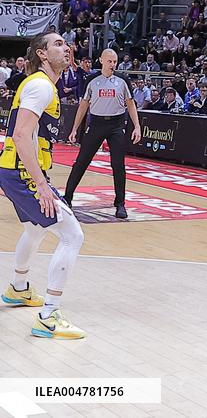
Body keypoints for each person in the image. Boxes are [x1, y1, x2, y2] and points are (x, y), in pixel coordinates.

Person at [0, 33, 86, 338]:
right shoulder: (39, 85)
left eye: (67, 43)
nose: (67, 47)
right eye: (58, 43)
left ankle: (19, 287)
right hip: (23, 173)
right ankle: (49, 316)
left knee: (35, 230)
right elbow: (22, 136)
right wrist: (41, 185)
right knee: (72, 235)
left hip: (14, 170)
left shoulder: (42, 84)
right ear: (43, 54)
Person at [62, 49, 142, 220]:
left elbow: (131, 104)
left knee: (118, 165)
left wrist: (137, 126)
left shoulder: (122, 80)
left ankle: (120, 203)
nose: (113, 64)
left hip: (116, 124)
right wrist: (75, 128)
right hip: (96, 123)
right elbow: (83, 105)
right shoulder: (91, 80)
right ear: (101, 61)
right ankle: (67, 197)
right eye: (110, 61)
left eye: (115, 61)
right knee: (82, 161)